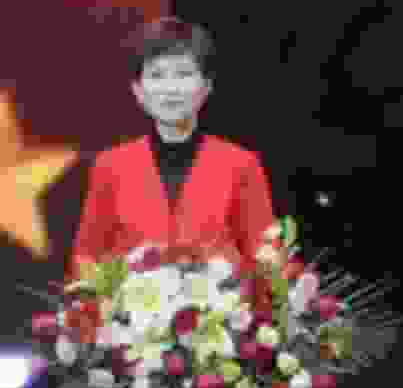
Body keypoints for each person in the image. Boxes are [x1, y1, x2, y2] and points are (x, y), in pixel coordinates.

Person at [70, 18, 277, 273]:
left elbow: (267, 262)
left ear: (206, 86)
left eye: (184, 74)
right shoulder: (110, 166)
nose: (171, 88)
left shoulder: (242, 165)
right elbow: (86, 260)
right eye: (156, 75)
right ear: (138, 90)